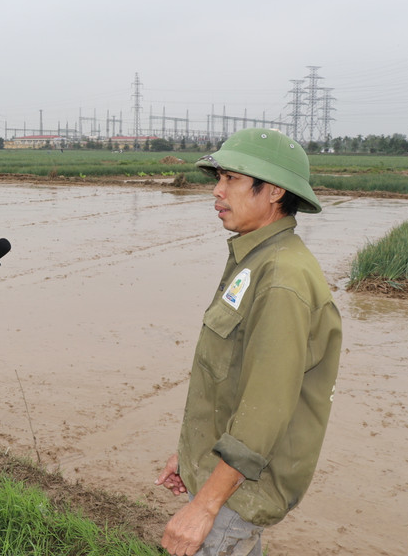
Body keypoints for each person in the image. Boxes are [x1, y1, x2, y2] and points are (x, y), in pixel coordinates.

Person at [155, 128, 342, 556]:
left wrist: (204, 505)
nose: (217, 192)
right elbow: (230, 381)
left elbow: (264, 412)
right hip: (228, 487)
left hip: (232, 501)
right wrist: (191, 458)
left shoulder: (282, 279)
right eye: (217, 178)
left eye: (231, 179)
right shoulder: (257, 259)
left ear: (274, 190)